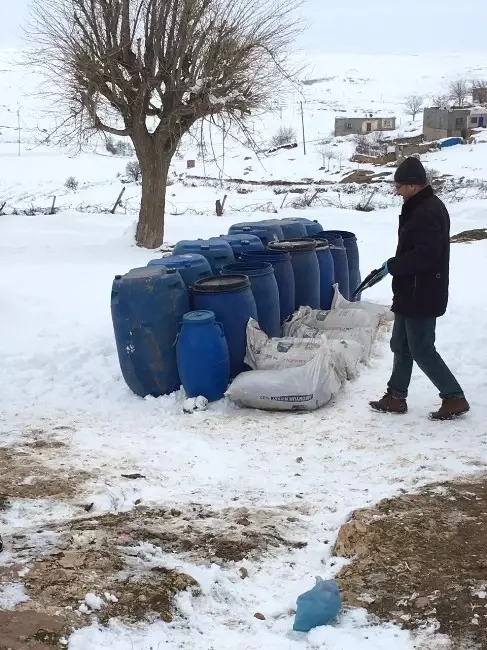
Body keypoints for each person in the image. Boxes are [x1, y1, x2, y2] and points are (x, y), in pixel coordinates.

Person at [370, 156, 469, 420]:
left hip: (422, 292)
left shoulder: (427, 211)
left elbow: (427, 255)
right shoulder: (418, 206)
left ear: (414, 185)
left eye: (400, 186)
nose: (397, 190)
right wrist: (396, 268)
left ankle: (454, 397)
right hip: (409, 290)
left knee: (422, 347)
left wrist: (395, 266)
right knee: (400, 344)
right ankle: (395, 396)